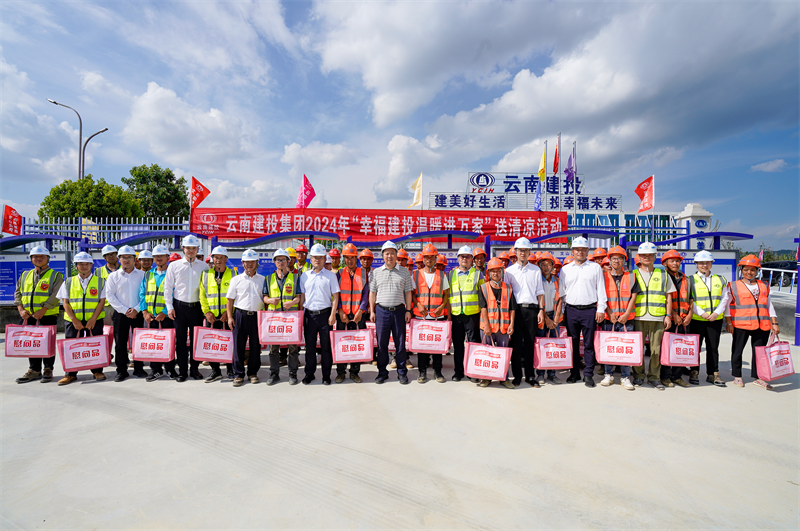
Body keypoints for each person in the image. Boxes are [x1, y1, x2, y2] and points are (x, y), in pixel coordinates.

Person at [725, 255, 780, 390]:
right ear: (741, 270)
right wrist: (728, 322)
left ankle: (758, 377)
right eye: (746, 270)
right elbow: (727, 306)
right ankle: (737, 376)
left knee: (760, 353)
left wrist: (774, 322)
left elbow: (769, 305)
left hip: (762, 325)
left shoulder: (764, 285)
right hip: (741, 324)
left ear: (757, 271)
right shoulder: (733, 286)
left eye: (752, 270)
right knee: (737, 351)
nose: (749, 273)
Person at [558, 237, 607, 387]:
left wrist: (601, 309)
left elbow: (601, 290)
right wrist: (561, 312)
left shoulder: (595, 268)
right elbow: (562, 292)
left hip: (589, 310)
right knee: (572, 343)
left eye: (583, 249)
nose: (580, 252)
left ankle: (588, 375)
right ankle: (574, 373)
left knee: (588, 344)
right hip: (571, 310)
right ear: (572, 251)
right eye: (577, 249)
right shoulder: (565, 269)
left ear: (587, 251)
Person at [14, 246, 64, 384]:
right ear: (31, 259)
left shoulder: (56, 275)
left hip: (47, 315)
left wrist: (43, 310)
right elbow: (18, 292)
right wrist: (20, 309)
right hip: (27, 316)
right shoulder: (25, 275)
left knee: (48, 344)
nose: (38, 258)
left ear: (48, 258)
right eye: (35, 256)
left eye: (42, 256)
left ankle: (48, 369)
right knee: (32, 344)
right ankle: (34, 370)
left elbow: (56, 295)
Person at [57, 251, 108, 385]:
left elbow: (101, 302)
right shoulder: (68, 281)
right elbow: (65, 303)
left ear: (91, 265)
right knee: (72, 346)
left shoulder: (100, 281)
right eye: (81, 264)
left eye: (87, 264)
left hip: (94, 320)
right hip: (73, 320)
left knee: (95, 345)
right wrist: (74, 320)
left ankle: (97, 371)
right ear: (76, 265)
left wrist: (92, 319)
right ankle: (70, 374)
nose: (84, 266)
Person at [630, 242, 675, 390]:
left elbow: (669, 296)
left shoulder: (663, 274)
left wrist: (668, 315)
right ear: (639, 257)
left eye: (650, 255)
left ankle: (654, 377)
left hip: (658, 317)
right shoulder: (632, 274)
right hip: (638, 316)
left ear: (655, 256)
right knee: (637, 348)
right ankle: (638, 375)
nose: (647, 257)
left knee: (656, 349)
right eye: (644, 255)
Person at [164, 235, 208, 382]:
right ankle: (182, 371)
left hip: (196, 308)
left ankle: (194, 370)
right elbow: (168, 287)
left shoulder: (204, 266)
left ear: (197, 250)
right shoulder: (174, 266)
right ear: (183, 248)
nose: (190, 251)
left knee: (196, 340)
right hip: (179, 307)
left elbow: (207, 288)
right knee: (181, 341)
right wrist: (169, 307)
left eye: (193, 248)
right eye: (188, 248)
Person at [369, 241, 414, 384]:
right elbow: (372, 293)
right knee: (382, 344)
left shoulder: (404, 271)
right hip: (382, 311)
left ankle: (402, 372)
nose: (390, 256)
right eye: (387, 253)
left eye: (392, 253)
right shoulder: (376, 272)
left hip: (399, 311)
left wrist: (408, 310)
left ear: (396, 255)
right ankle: (382, 372)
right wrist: (372, 310)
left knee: (400, 343)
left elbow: (408, 291)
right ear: (382, 255)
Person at [504, 238, 545, 387]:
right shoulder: (509, 272)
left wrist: (541, 310)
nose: (523, 253)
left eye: (526, 250)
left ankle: (530, 376)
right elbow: (506, 295)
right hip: (516, 311)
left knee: (529, 344)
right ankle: (516, 376)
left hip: (532, 311)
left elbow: (540, 292)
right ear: (515, 252)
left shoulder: (535, 270)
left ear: (529, 252)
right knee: (515, 344)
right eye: (520, 250)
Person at [298, 244, 339, 385]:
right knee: (309, 347)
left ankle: (326, 375)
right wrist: (300, 315)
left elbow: (335, 297)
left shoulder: (330, 276)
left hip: (325, 315)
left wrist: (333, 314)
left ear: (324, 259)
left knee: (326, 347)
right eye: (315, 257)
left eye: (320, 257)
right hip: (309, 315)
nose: (317, 260)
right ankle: (309, 374)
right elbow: (302, 297)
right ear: (311, 258)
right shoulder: (305, 276)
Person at [598, 246, 638, 391]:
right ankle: (608, 374)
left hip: (627, 319)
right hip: (610, 319)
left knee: (626, 348)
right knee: (609, 347)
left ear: (624, 260)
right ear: (609, 260)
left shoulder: (631, 276)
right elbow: (602, 297)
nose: (616, 261)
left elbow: (634, 296)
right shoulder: (603, 277)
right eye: (614, 258)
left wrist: (626, 314)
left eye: (620, 258)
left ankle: (625, 376)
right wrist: (609, 313)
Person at [105, 245, 146, 382]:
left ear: (135, 259)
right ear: (119, 259)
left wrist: (136, 309)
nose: (126, 260)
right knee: (120, 343)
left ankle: (139, 368)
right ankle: (121, 370)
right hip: (120, 314)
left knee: (138, 342)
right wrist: (124, 310)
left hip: (138, 312)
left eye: (129, 257)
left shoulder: (142, 275)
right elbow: (110, 296)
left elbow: (146, 294)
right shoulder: (113, 276)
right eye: (123, 257)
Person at [688, 250, 729, 387]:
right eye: (701, 263)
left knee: (713, 348)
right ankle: (694, 371)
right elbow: (689, 299)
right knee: (695, 348)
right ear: (696, 264)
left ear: (711, 263)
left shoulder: (720, 279)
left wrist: (716, 313)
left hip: (715, 320)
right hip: (697, 320)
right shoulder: (690, 280)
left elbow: (725, 298)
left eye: (707, 263)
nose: (704, 265)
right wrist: (701, 313)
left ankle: (713, 373)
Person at [226, 249, 265, 387]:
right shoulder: (236, 280)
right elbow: (230, 300)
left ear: (256, 263)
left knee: (255, 346)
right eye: (247, 261)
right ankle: (238, 374)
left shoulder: (262, 280)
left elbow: (265, 299)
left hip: (256, 316)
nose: (249, 264)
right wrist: (230, 317)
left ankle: (253, 373)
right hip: (240, 315)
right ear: (242, 263)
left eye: (252, 261)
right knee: (238, 346)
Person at [412, 244, 450, 384]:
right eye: (426, 257)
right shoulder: (415, 274)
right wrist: (418, 304)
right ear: (423, 258)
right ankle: (422, 372)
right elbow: (411, 294)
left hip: (437, 317)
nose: (429, 260)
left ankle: (438, 372)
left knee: (437, 347)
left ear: (435, 258)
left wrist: (442, 306)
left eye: (432, 257)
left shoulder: (441, 274)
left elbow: (446, 293)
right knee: (422, 347)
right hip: (421, 317)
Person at [141, 245, 179, 381]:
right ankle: (155, 370)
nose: (158, 258)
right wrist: (145, 312)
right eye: (156, 256)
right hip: (151, 317)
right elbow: (142, 294)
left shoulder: (173, 274)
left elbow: (175, 295)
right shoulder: (148, 275)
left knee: (168, 343)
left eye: (162, 256)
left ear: (167, 258)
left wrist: (164, 312)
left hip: (167, 316)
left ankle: (170, 369)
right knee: (154, 344)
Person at [263, 248, 301, 386]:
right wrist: (269, 301)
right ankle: (274, 374)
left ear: (288, 262)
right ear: (274, 262)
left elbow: (298, 297)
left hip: (291, 318)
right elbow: (265, 297)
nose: (281, 262)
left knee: (293, 347)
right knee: (273, 348)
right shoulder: (268, 278)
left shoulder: (295, 278)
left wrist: (293, 302)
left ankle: (293, 374)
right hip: (274, 319)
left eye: (283, 260)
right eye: (278, 260)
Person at [477, 258, 516, 389]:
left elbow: (512, 309)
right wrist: (487, 326)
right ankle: (486, 378)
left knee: (503, 354)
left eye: (498, 271)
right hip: (487, 328)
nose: (495, 273)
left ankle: (504, 378)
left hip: (503, 328)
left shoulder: (508, 288)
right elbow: (483, 308)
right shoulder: (483, 288)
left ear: (502, 271)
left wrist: (511, 325)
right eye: (493, 271)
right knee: (487, 354)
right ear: (489, 273)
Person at [448, 245, 484, 382]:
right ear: (458, 258)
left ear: (472, 259)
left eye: (467, 256)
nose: (464, 259)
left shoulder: (477, 273)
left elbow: (482, 295)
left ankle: (472, 372)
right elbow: (448, 294)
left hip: (472, 314)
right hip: (457, 315)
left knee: (473, 344)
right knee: (458, 346)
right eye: (462, 256)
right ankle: (458, 372)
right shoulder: (451, 274)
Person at [199, 246, 234, 383]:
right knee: (212, 344)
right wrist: (206, 312)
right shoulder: (206, 275)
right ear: (212, 259)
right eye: (216, 257)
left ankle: (230, 370)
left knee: (229, 344)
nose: (218, 260)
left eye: (221, 257)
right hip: (212, 317)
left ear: (226, 259)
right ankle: (216, 371)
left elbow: (236, 296)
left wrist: (229, 312)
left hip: (227, 316)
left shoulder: (233, 274)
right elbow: (202, 296)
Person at [335, 243, 369, 384]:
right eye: (347, 258)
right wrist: (341, 310)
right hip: (342, 315)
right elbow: (336, 294)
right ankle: (341, 372)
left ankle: (355, 372)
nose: (350, 260)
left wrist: (361, 310)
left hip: (358, 315)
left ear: (357, 258)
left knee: (356, 344)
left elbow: (366, 294)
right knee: (342, 343)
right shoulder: (339, 273)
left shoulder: (363, 273)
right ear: (344, 259)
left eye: (352, 257)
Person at [659, 249, 692, 388]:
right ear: (665, 263)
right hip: (669, 319)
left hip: (685, 319)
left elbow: (691, 298)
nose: (675, 263)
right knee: (667, 348)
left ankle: (677, 376)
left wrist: (690, 314)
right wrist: (673, 314)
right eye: (672, 261)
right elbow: (663, 298)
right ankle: (665, 377)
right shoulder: (662, 277)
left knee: (680, 348)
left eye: (677, 260)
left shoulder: (686, 279)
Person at [536, 252, 562, 385]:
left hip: (554, 317)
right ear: (539, 266)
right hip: (542, 317)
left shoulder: (557, 280)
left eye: (549, 264)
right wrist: (546, 318)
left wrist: (556, 317)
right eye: (543, 264)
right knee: (541, 345)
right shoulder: (537, 280)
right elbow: (536, 300)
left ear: (553, 266)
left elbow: (561, 299)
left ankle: (552, 374)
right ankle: (540, 374)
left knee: (553, 346)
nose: (546, 267)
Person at [97, 244, 119, 326]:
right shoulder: (98, 271)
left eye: (113, 254)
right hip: (106, 306)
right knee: (107, 331)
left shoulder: (124, 269)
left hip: (121, 305)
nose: (111, 256)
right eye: (108, 255)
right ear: (104, 257)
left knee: (121, 332)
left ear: (117, 255)